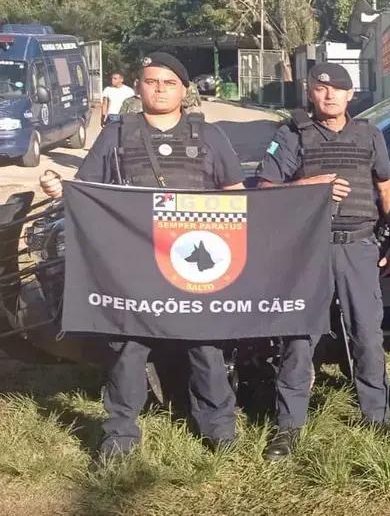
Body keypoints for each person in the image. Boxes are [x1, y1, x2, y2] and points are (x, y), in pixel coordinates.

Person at [39, 52, 244, 458]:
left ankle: (219, 429)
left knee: (205, 345)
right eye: (152, 81)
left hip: (193, 263)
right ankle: (119, 435)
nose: (160, 89)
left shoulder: (210, 136)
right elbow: (86, 191)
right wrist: (57, 187)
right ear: (139, 86)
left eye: (169, 82)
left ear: (184, 90)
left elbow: (235, 197)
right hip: (131, 266)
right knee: (128, 348)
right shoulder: (116, 135)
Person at [257, 62, 390, 460]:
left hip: (358, 247)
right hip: (308, 250)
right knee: (299, 339)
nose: (330, 95)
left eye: (338, 89)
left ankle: (376, 417)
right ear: (310, 93)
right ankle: (289, 428)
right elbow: (265, 187)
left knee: (367, 335)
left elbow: (385, 188)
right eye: (321, 88)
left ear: (351, 95)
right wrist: (308, 185)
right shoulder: (292, 134)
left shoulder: (369, 134)